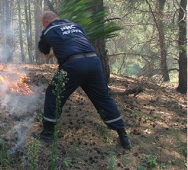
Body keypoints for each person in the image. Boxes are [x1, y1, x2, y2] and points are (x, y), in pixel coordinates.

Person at [34, 11, 132, 149]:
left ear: (46, 22)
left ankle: (48, 133)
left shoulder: (50, 29)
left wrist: (47, 54)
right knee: (103, 98)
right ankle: (123, 135)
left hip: (74, 65)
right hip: (94, 62)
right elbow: (73, 43)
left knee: (54, 94)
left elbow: (43, 47)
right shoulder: (76, 26)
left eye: (43, 25)